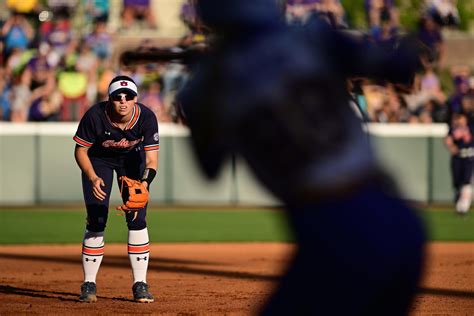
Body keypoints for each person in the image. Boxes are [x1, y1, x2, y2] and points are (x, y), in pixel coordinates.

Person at [176, 1, 426, 314]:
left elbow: (209, 168)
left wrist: (200, 92)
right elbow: (399, 67)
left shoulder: (207, 88)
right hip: (398, 220)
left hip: (331, 233)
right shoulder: (312, 37)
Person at [73, 75, 159, 303]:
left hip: (132, 160)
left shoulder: (146, 117)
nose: (123, 101)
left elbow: (151, 160)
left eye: (128, 96)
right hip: (99, 161)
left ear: (135, 99)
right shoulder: (95, 115)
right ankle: (89, 283)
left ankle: (140, 283)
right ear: (109, 99)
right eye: (117, 97)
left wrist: (144, 182)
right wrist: (92, 177)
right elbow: (80, 151)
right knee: (97, 218)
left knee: (138, 218)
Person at [444, 112, 474, 215]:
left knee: (467, 181)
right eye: (458, 118)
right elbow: (448, 140)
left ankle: (463, 207)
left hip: (469, 157)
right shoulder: (453, 129)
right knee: (457, 182)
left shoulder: (471, 127)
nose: (459, 120)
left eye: (461, 118)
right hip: (457, 157)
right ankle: (459, 202)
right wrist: (451, 147)